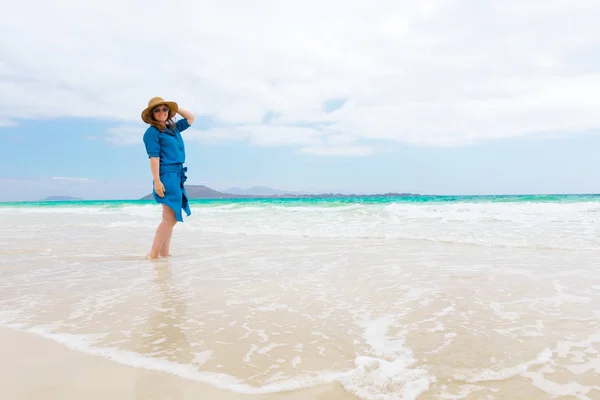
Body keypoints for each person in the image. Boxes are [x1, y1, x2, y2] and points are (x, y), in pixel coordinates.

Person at [141, 96, 195, 259]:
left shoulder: (173, 128)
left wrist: (174, 108)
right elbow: (154, 157)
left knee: (169, 217)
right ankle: (153, 254)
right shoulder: (151, 133)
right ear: (152, 114)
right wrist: (157, 180)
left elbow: (190, 117)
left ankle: (164, 253)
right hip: (166, 175)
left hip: (177, 174)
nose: (161, 112)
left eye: (165, 109)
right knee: (171, 219)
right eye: (157, 110)